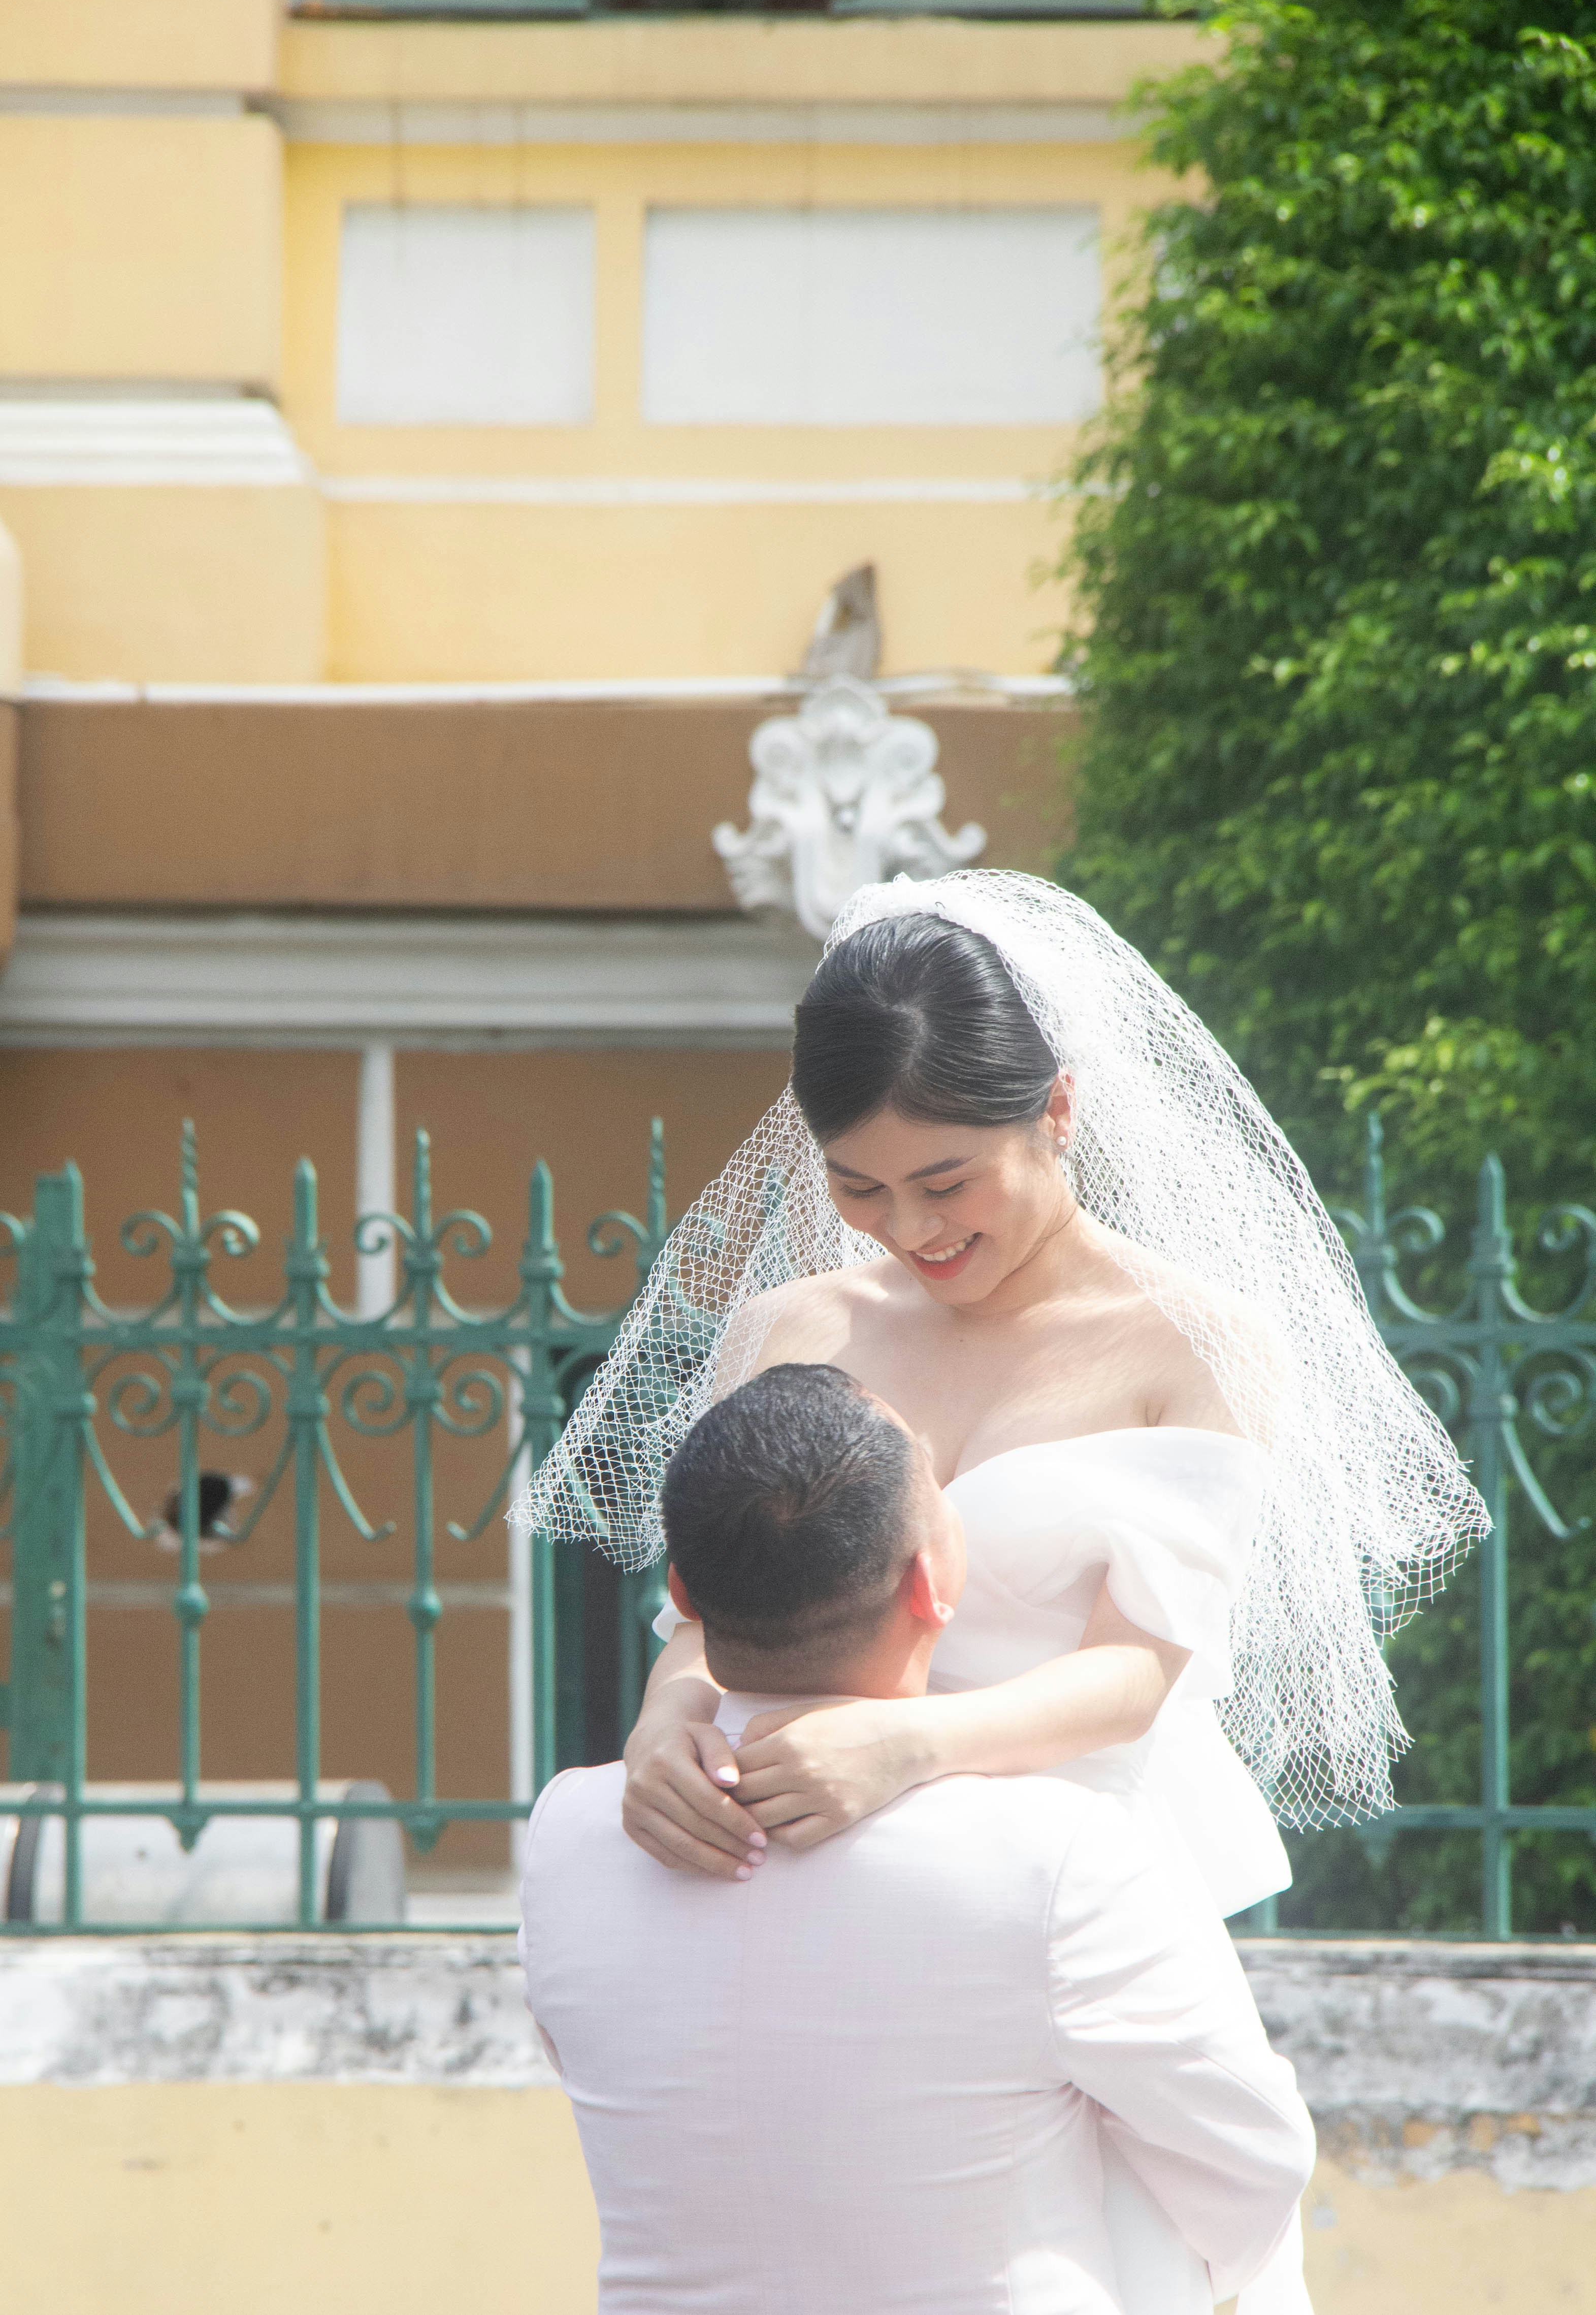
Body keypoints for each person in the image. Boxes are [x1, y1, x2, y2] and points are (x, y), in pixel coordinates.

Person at [514, 870, 1486, 2315]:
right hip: (811, 1890)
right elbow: (706, 1617)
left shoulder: (1192, 1338)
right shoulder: (796, 1324)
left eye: (946, 1179)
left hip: (1082, 1882)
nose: (909, 1227)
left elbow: (1145, 1669)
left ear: (1059, 1112)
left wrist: (909, 1748)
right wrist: (665, 1726)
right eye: (859, 1186)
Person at [519, 1363, 1317, 2315]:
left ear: (682, 1595)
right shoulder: (1060, 1858)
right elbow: (1256, 2163)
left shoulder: (569, 1833)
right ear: (932, 1582)